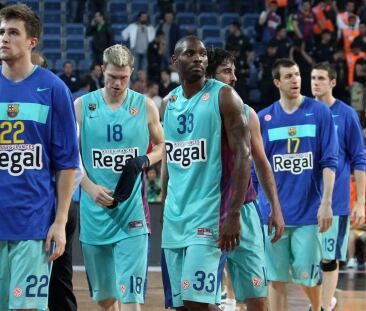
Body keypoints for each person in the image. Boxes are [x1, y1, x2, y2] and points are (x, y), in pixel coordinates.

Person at [160, 35, 251, 311]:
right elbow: (169, 159)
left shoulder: (224, 97)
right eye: (190, 53)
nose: (198, 58)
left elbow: (243, 156)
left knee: (195, 302)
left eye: (202, 54)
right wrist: (165, 204)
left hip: (208, 218)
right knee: (180, 306)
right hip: (175, 218)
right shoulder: (167, 103)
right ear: (175, 61)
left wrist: (233, 214)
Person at [0, 4, 79, 311]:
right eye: (2, 32)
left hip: (32, 225)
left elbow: (67, 164)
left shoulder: (54, 89)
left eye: (13, 32)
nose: (4, 38)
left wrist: (59, 222)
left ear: (32, 41)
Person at [75, 44, 164, 311]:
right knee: (105, 300)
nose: (118, 83)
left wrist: (146, 159)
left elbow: (163, 146)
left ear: (132, 73)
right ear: (102, 70)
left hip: (132, 214)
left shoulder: (145, 106)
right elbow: (67, 157)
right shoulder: (81, 106)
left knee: (131, 297)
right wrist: (88, 187)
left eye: (124, 77)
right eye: (112, 76)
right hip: (94, 213)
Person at [256, 58, 338, 311]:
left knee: (309, 276)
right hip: (273, 214)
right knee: (276, 279)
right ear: (277, 82)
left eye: (297, 74)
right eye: (289, 76)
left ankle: (319, 308)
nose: (296, 80)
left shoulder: (319, 112)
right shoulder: (264, 118)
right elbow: (256, 168)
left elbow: (329, 160)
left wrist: (326, 202)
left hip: (307, 213)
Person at [206, 47, 285, 311]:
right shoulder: (194, 113)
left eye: (234, 71)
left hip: (245, 209)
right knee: (201, 299)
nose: (234, 78)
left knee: (257, 297)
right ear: (209, 76)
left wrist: (275, 207)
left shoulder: (249, 113)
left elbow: (262, 162)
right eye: (226, 72)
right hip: (207, 210)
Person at [311, 62, 366, 311]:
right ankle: (321, 301)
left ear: (333, 82)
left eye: (321, 78)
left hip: (337, 200)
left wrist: (360, 201)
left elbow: (360, 158)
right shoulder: (303, 111)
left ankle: (323, 306)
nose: (315, 83)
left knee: (328, 257)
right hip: (306, 200)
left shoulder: (346, 114)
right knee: (306, 260)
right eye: (312, 78)